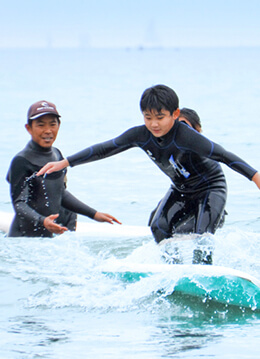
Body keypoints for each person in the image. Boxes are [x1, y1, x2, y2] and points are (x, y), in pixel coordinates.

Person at [37, 85, 260, 248]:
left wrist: (255, 176)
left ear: (175, 114)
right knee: (158, 228)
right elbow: (104, 148)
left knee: (203, 239)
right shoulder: (141, 135)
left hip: (211, 189)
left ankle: (205, 273)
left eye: (160, 117)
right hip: (181, 190)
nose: (154, 124)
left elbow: (224, 155)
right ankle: (172, 271)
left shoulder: (187, 136)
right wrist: (66, 162)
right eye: (148, 117)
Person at [6, 100, 121, 237]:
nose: (48, 130)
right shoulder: (22, 160)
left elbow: (60, 193)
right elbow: (19, 204)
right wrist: (42, 221)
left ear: (59, 126)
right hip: (24, 240)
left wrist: (94, 214)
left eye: (52, 124)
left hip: (51, 238)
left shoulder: (57, 154)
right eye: (41, 125)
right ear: (28, 128)